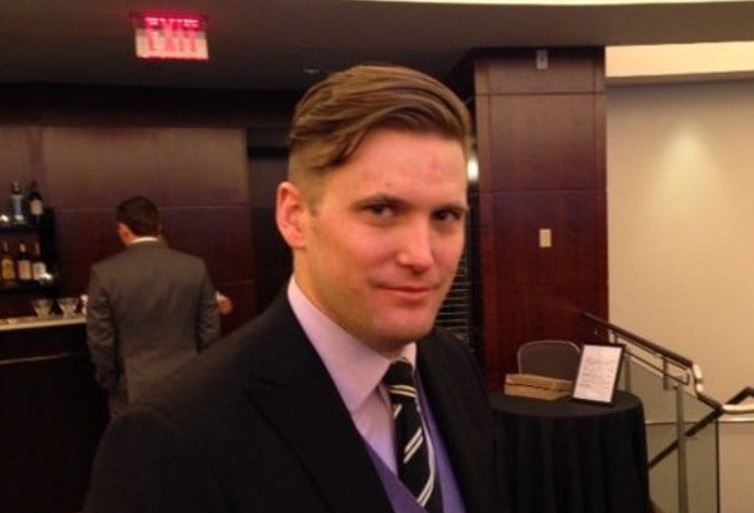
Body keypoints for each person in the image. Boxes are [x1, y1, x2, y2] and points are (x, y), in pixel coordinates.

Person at [84, 65, 503, 513]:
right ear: (294, 216)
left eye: (445, 216)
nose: (421, 255)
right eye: (381, 210)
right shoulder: (171, 438)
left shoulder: (453, 364)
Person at [86, 196, 221, 418]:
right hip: (188, 380)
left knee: (136, 440)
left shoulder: (104, 274)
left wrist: (110, 380)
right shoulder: (194, 267)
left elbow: (100, 339)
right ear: (159, 226)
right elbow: (209, 330)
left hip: (132, 385)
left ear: (123, 229)